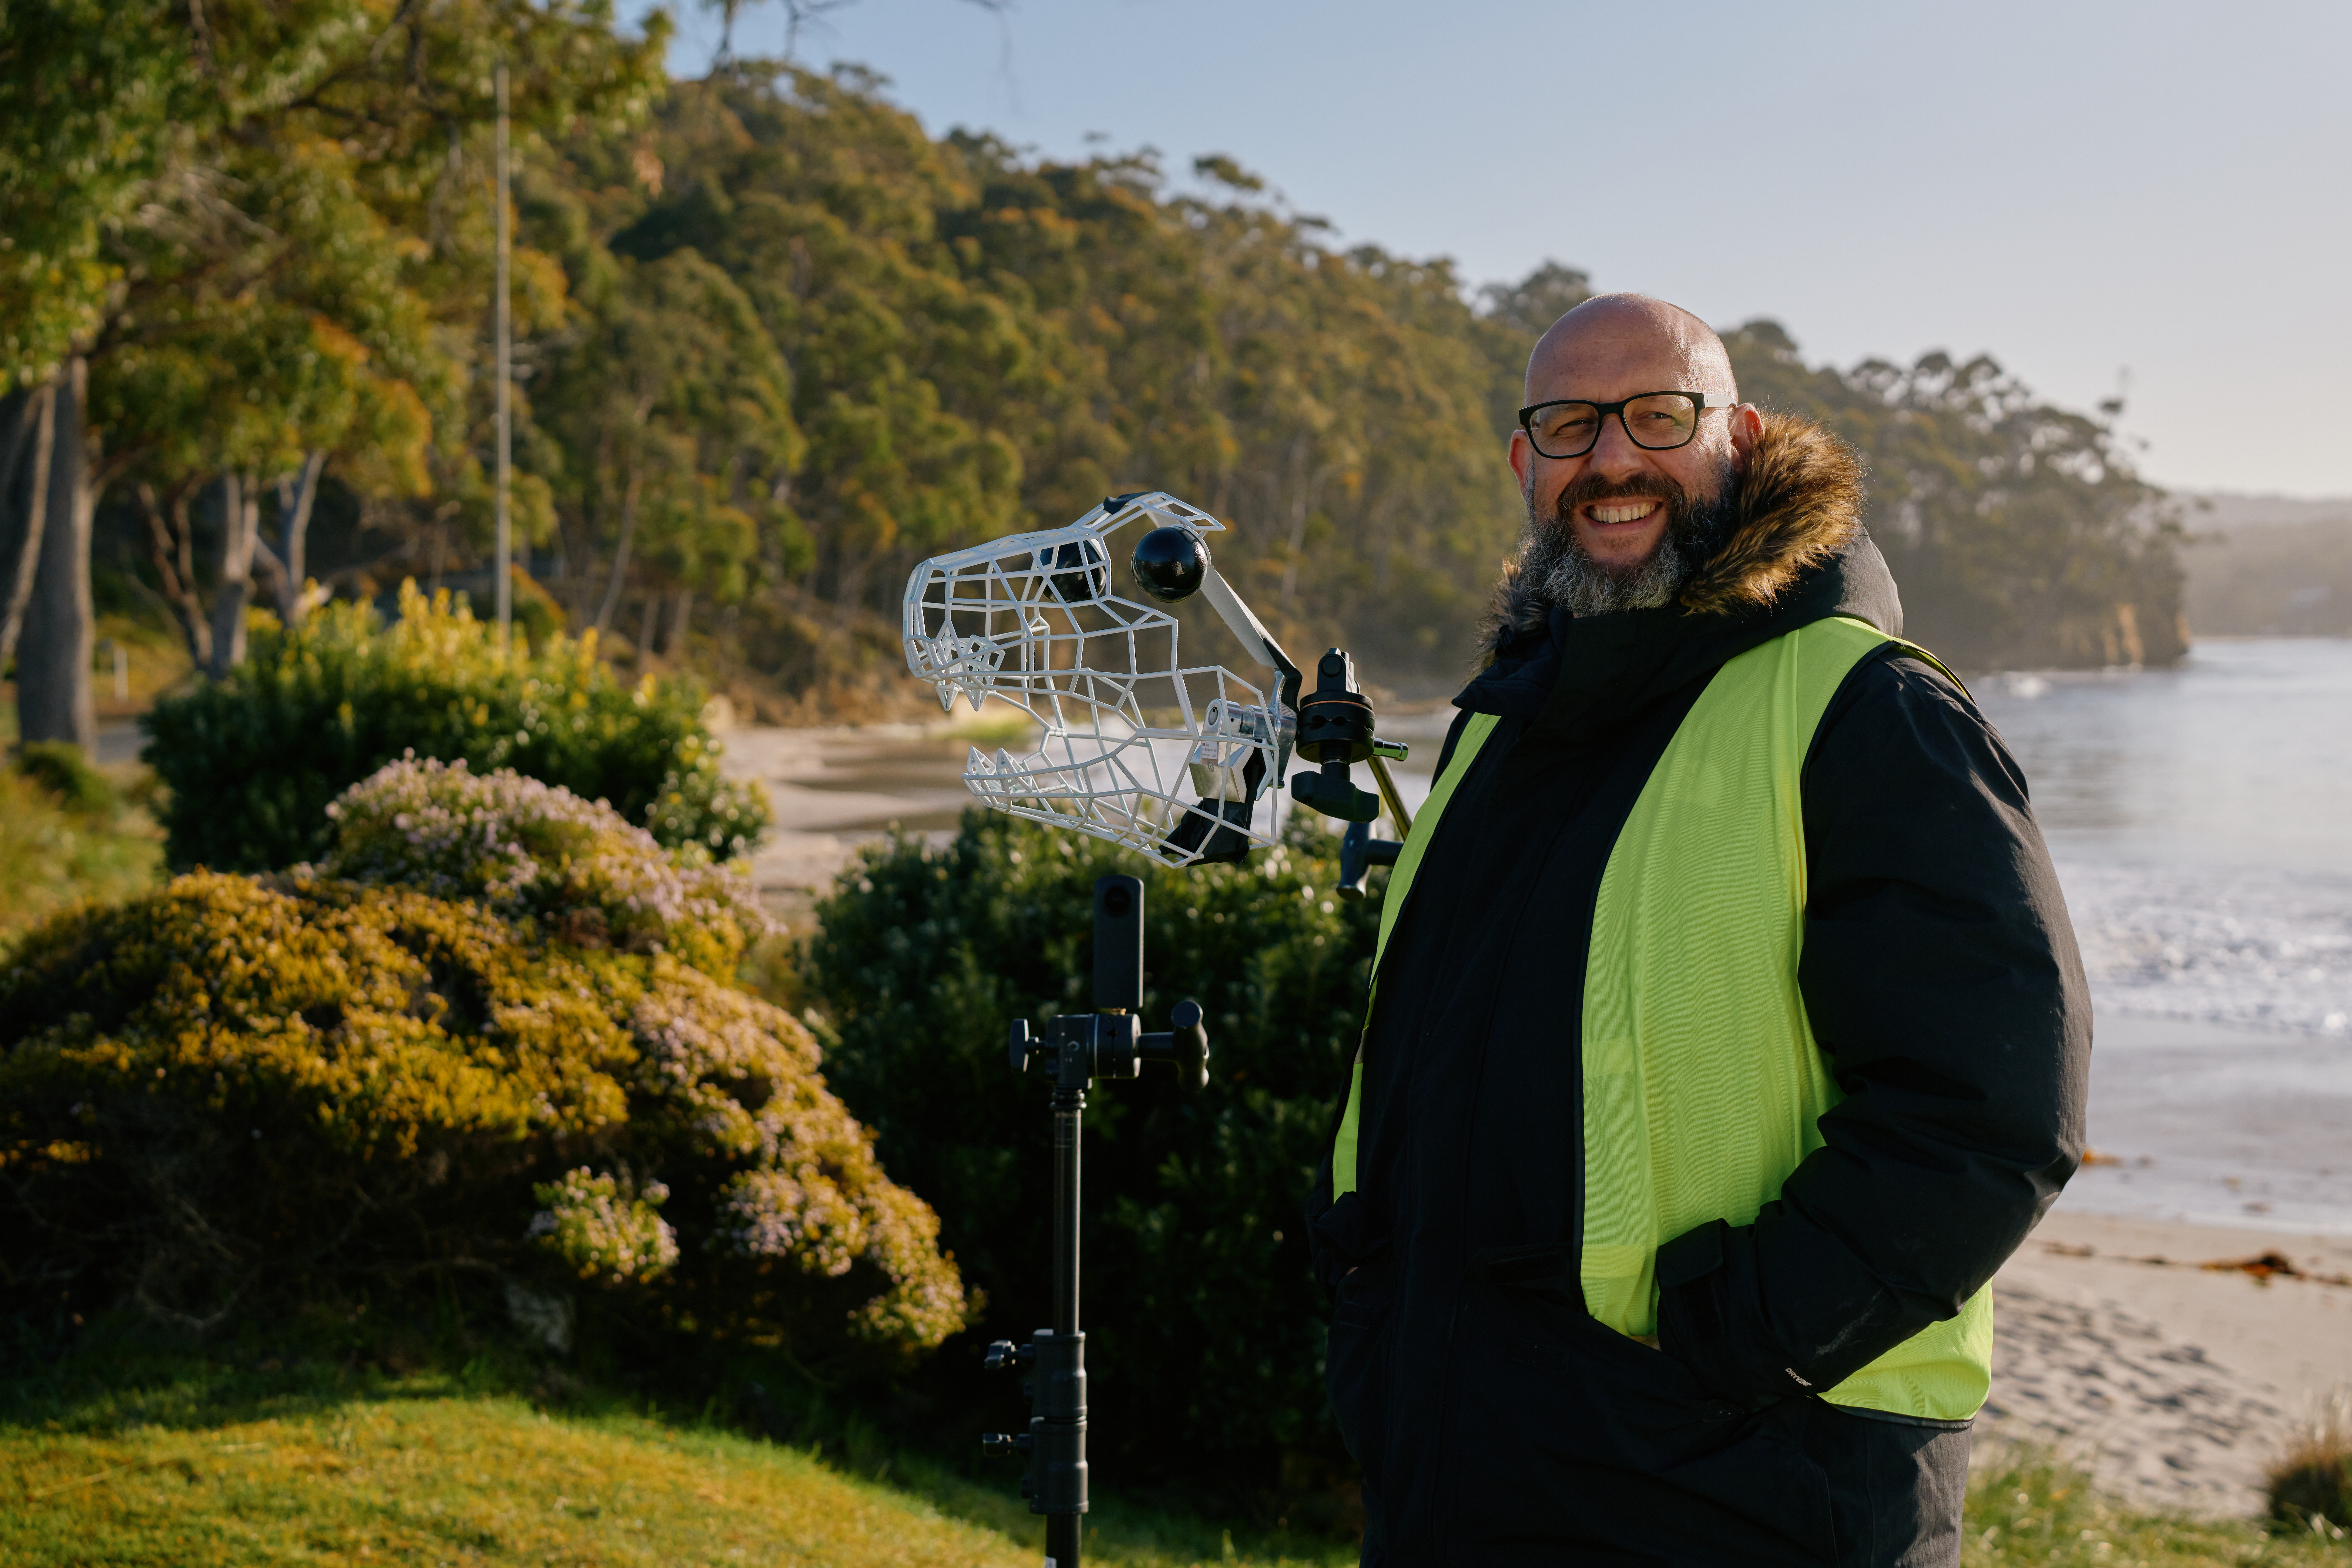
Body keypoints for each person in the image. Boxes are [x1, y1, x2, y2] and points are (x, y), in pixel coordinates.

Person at [1305, 294, 2089, 1567]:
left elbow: (1988, 1114)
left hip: (1743, 1494)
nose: (1610, 460)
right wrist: (1365, 1294)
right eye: (1568, 424)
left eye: (1656, 417)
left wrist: (1731, 1344)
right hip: (1456, 1466)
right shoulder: (1499, 730)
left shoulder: (1868, 711)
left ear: (1739, 435)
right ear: (1525, 463)